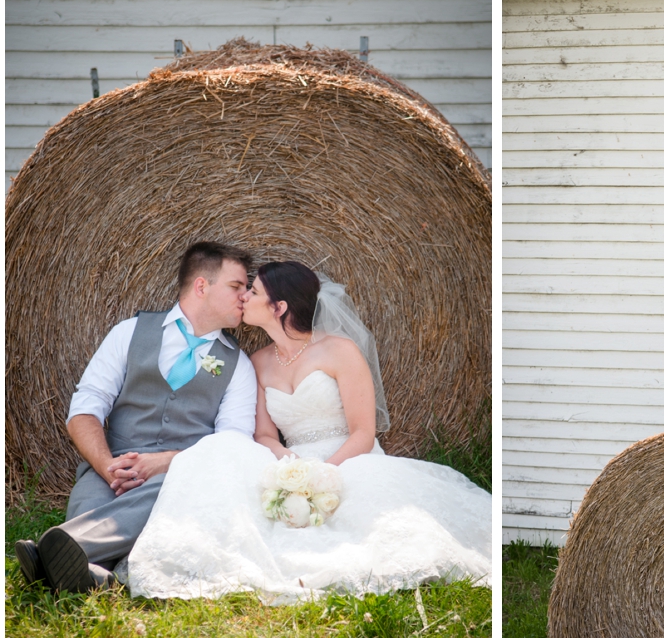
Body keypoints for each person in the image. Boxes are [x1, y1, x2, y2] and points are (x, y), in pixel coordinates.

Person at [125, 261, 491, 603]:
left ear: (278, 307)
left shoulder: (340, 351)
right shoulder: (258, 363)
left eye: (253, 292)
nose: (244, 297)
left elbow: (363, 431)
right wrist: (291, 468)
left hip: (350, 458)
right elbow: (264, 435)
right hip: (291, 464)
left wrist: (324, 473)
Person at [14, 242, 257, 592]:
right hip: (109, 470)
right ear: (202, 286)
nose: (245, 296)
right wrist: (106, 465)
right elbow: (86, 407)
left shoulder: (239, 367)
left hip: (177, 477)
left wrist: (165, 463)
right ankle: (96, 574)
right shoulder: (128, 333)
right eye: (237, 286)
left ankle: (54, 552)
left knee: (157, 497)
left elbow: (233, 446)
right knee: (95, 516)